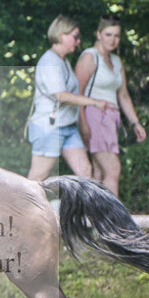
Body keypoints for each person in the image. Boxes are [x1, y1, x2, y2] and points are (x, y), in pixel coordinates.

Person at [26, 15, 116, 183]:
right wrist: (94, 102)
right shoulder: (49, 61)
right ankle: (16, 208)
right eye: (75, 36)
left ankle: (82, 210)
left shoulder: (63, 61)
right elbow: (61, 96)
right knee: (37, 176)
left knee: (85, 172)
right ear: (61, 35)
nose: (78, 41)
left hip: (68, 127)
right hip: (49, 127)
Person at [74, 13, 147, 197]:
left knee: (98, 173)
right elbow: (76, 93)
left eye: (116, 36)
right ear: (99, 34)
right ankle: (113, 223)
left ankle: (92, 221)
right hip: (93, 116)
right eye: (108, 35)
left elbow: (123, 95)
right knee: (113, 168)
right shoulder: (90, 57)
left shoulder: (116, 60)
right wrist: (83, 124)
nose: (113, 40)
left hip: (112, 120)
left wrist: (135, 123)